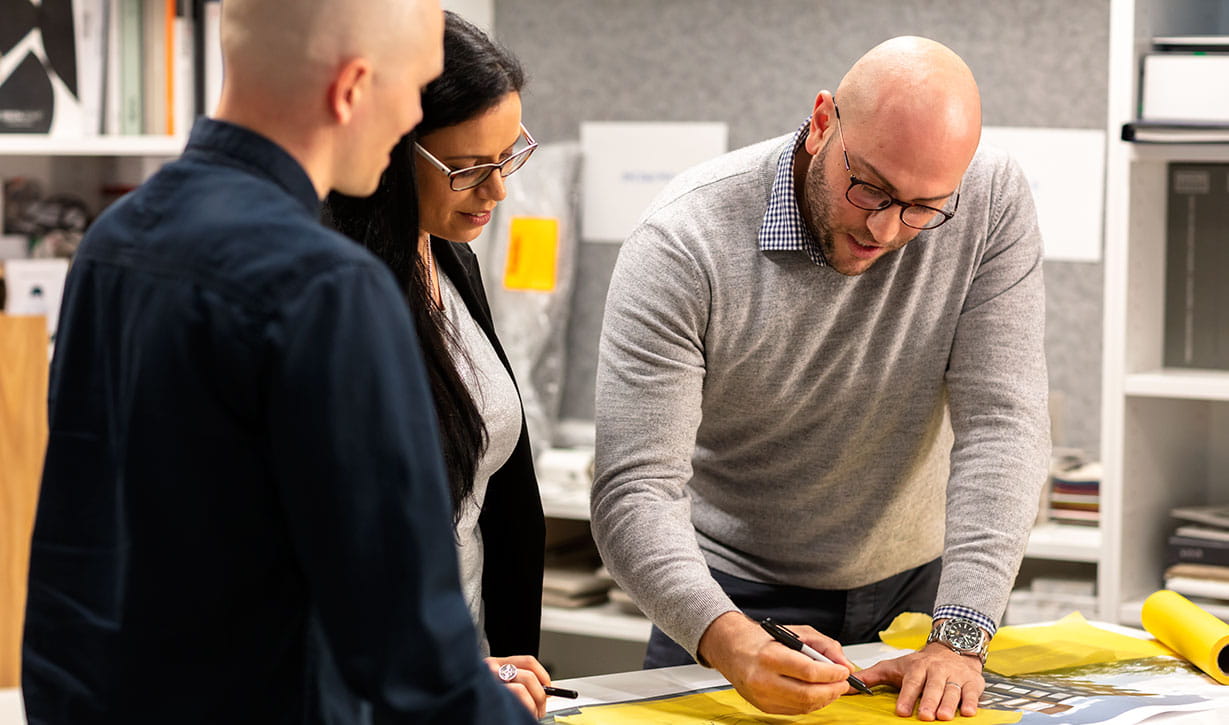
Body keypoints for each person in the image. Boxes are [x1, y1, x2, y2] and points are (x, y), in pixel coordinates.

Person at [21, 1, 537, 723]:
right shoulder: (323, 283)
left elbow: (84, 539)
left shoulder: (116, 239)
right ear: (354, 87)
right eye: (411, 89)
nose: (402, 128)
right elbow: (401, 634)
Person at [591, 35, 1050, 721]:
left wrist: (958, 634)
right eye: (868, 187)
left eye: (924, 207)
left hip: (924, 592)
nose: (888, 228)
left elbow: (1003, 422)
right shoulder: (684, 240)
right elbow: (634, 486)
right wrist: (726, 635)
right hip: (734, 593)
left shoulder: (988, 199)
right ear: (820, 122)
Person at [322, 11, 552, 718]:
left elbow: (494, 504)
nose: (497, 191)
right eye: (468, 167)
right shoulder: (335, 292)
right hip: (381, 683)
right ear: (390, 150)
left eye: (508, 155)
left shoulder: (450, 256)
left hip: (465, 669)